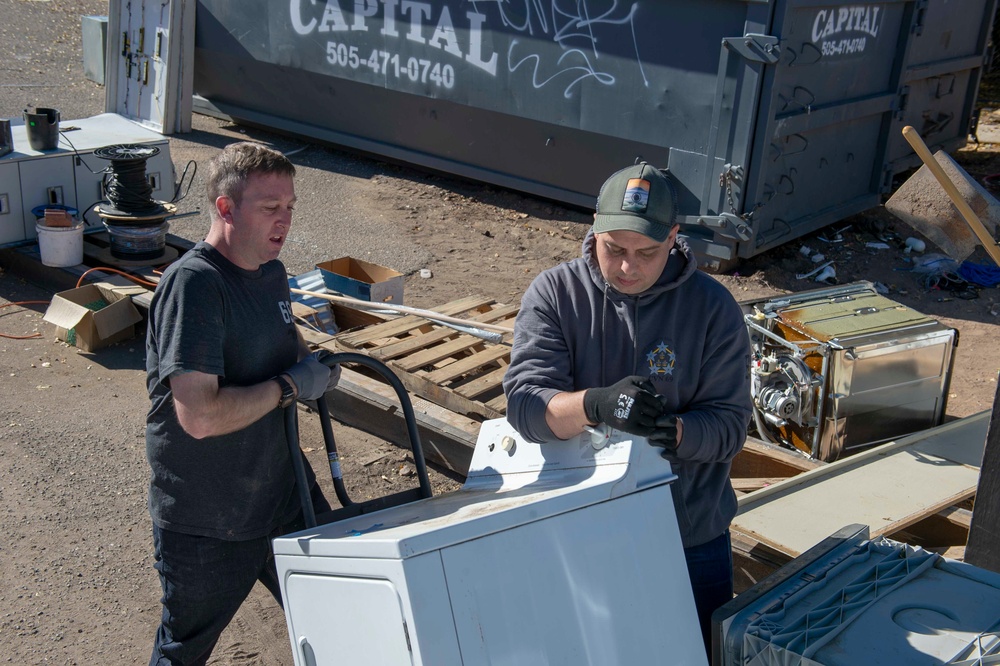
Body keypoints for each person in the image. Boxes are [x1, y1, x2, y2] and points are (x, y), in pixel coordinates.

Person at [503, 161, 752, 655]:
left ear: (675, 238)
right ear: (593, 228)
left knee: (693, 654)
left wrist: (674, 432)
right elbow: (526, 407)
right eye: (614, 248)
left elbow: (730, 425)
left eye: (647, 252)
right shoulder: (556, 294)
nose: (627, 267)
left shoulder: (713, 309)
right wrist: (594, 405)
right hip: (578, 533)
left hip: (688, 538)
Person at [144, 141, 337, 665]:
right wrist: (293, 386)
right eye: (270, 209)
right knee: (184, 650)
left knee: (341, 612)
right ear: (225, 208)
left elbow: (282, 345)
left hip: (282, 492)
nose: (285, 221)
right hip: (208, 515)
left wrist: (311, 361)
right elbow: (199, 415)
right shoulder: (196, 286)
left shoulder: (270, 272)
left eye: (291, 207)